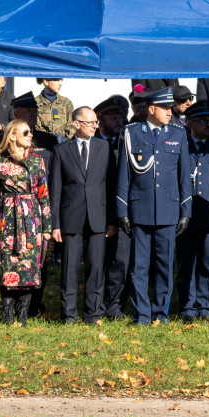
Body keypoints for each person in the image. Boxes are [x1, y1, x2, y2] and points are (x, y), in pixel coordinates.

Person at [116, 86, 192, 325]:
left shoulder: (179, 134)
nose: (170, 112)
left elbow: (184, 176)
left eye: (171, 108)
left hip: (169, 211)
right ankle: (142, 314)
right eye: (165, 108)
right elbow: (123, 175)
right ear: (151, 109)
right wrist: (122, 210)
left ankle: (161, 312)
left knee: (164, 265)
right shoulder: (131, 133)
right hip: (139, 209)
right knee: (139, 266)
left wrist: (185, 211)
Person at [0, 119, 52, 326]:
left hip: (32, 218)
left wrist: (47, 227)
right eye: (25, 133)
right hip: (6, 218)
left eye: (30, 132)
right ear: (12, 136)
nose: (30, 136)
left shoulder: (37, 160)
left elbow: (44, 195)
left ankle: (22, 316)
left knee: (29, 268)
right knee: (6, 265)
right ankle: (8, 315)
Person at [50, 106, 110, 324]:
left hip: (98, 216)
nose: (95, 125)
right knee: (69, 267)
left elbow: (109, 186)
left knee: (96, 267)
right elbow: (55, 190)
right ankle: (68, 314)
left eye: (96, 122)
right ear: (76, 124)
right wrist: (55, 223)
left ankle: (93, 313)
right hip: (70, 217)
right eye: (90, 122)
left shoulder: (104, 148)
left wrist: (111, 220)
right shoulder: (61, 150)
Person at [11, 91, 61, 317]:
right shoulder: (5, 139)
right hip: (12, 209)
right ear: (16, 113)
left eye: (35, 111)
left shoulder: (47, 140)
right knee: (13, 256)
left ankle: (35, 305)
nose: (33, 115)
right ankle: (12, 305)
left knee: (40, 259)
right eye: (28, 111)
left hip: (40, 207)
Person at [174, 100, 209, 319]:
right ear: (189, 123)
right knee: (186, 263)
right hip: (187, 215)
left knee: (208, 262)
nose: (208, 124)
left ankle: (204, 305)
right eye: (202, 120)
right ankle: (187, 305)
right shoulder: (181, 146)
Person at [94, 95, 133, 319]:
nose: (119, 121)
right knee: (97, 262)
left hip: (122, 212)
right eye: (113, 117)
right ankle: (95, 304)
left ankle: (116, 306)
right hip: (96, 212)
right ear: (101, 120)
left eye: (120, 117)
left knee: (121, 262)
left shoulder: (126, 142)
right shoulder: (91, 142)